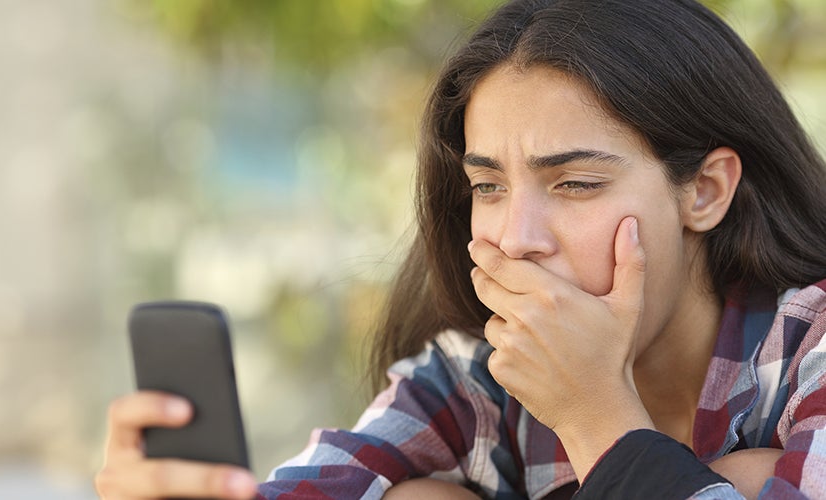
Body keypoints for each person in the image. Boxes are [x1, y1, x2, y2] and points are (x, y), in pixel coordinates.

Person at [95, 0, 826, 498]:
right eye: (489, 186)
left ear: (704, 190)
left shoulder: (810, 344)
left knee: (757, 476)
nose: (516, 238)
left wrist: (596, 417)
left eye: (573, 184)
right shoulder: (475, 377)